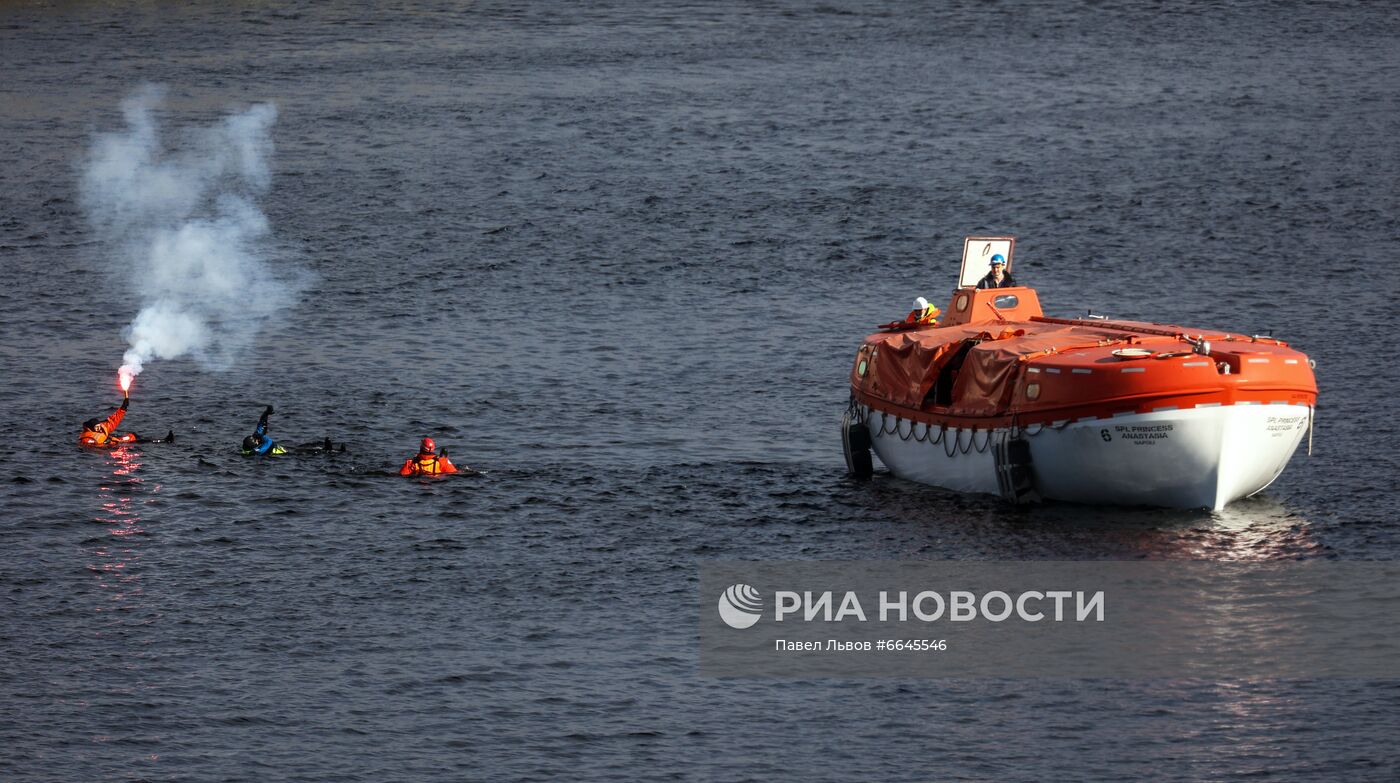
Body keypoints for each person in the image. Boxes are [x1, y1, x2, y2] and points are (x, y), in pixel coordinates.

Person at [240, 405, 340, 456]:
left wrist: (266, 413)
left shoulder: (252, 445)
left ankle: (328, 450)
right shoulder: (258, 452)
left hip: (287, 449)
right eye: (256, 440)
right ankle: (330, 452)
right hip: (289, 456)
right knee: (309, 453)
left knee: (309, 449)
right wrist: (261, 436)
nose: (257, 439)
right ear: (255, 445)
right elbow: (269, 442)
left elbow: (260, 426)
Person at [79, 397, 172, 446]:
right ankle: (164, 441)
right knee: (138, 442)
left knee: (134, 436)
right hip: (111, 447)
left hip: (114, 442)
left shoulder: (102, 428)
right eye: (97, 427)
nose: (99, 428)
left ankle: (160, 440)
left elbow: (113, 420)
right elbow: (91, 447)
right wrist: (104, 445)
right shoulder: (87, 438)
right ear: (91, 428)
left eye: (99, 426)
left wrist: (123, 407)